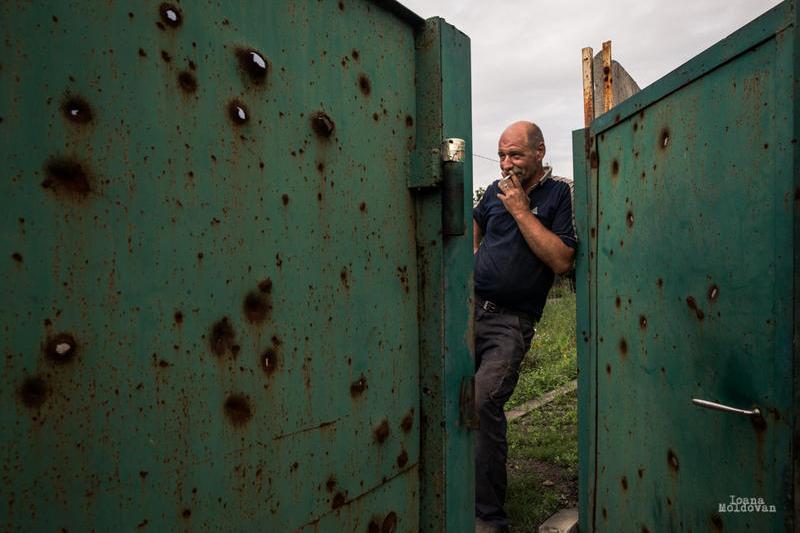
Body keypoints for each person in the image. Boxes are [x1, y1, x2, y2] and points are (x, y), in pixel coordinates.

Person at [472, 121, 576, 532]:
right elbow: (471, 229)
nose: (505, 164)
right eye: (500, 155)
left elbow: (562, 260)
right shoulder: (494, 195)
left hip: (511, 322)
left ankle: (488, 519)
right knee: (449, 399)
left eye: (514, 155)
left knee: (481, 402)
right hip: (470, 311)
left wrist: (519, 209)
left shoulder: (559, 194)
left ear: (539, 152)